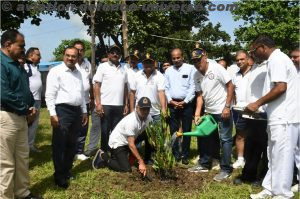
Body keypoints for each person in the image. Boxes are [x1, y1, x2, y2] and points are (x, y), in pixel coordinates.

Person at [248, 35, 298, 199]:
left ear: (262, 47)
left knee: (282, 155)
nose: (254, 54)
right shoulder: (275, 59)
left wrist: (257, 103)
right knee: (273, 154)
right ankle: (270, 188)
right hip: (277, 116)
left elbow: (280, 87)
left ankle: (283, 193)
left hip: (285, 117)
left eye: (254, 50)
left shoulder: (277, 59)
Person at [0, 29, 41, 199]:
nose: (24, 49)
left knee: (22, 158)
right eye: (21, 46)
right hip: (6, 117)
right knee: (6, 163)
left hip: (21, 117)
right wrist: (25, 108)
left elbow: (25, 88)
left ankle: (22, 192)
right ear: (8, 45)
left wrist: (31, 106)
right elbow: (4, 92)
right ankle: (6, 196)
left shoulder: (16, 63)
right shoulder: (1, 63)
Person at [188, 47, 234, 182]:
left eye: (198, 60)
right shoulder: (196, 75)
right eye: (194, 61)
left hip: (222, 110)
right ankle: (204, 163)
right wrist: (197, 114)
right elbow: (200, 96)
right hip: (209, 112)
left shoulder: (216, 68)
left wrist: (227, 106)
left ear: (205, 57)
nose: (197, 63)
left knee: (225, 139)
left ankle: (226, 169)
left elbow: (230, 85)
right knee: (206, 137)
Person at [45, 47, 88, 189]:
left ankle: (67, 170)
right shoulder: (55, 71)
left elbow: (81, 94)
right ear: (64, 56)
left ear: (78, 57)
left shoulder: (79, 73)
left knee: (72, 143)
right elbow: (50, 94)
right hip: (62, 111)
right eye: (68, 55)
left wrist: (84, 111)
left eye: (73, 56)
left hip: (76, 111)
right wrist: (52, 113)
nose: (70, 58)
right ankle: (59, 176)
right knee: (59, 144)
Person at [233, 51, 268, 185]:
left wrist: (259, 105)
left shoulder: (268, 67)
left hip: (264, 114)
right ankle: (248, 174)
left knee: (265, 148)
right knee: (251, 145)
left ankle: (263, 177)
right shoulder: (253, 70)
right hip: (250, 114)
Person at [92, 97, 153, 176]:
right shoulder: (132, 120)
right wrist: (140, 161)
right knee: (126, 169)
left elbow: (151, 135)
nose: (145, 111)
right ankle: (104, 157)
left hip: (128, 140)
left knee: (149, 134)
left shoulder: (148, 118)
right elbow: (131, 144)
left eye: (147, 109)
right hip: (117, 143)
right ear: (137, 108)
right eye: (143, 109)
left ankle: (146, 159)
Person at [129, 53, 167, 164]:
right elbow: (132, 93)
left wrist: (164, 109)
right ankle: (133, 157)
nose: (148, 64)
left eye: (150, 62)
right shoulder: (137, 75)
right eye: (146, 62)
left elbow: (161, 93)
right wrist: (131, 109)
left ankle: (150, 158)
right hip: (139, 113)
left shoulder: (159, 76)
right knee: (136, 136)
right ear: (143, 63)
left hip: (155, 112)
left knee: (154, 137)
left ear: (154, 63)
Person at [93, 45, 129, 153]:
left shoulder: (124, 68)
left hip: (119, 105)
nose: (115, 54)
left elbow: (126, 88)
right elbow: (97, 85)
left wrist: (126, 104)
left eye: (117, 52)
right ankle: (103, 152)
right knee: (105, 130)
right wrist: (98, 104)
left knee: (117, 131)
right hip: (106, 104)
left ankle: (114, 152)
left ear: (120, 55)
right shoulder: (102, 66)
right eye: (112, 52)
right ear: (108, 54)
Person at [164, 48, 195, 165]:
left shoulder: (190, 68)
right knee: (174, 130)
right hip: (173, 105)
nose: (176, 60)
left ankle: (185, 155)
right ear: (171, 59)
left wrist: (186, 101)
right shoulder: (168, 71)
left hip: (186, 104)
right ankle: (176, 153)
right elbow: (166, 88)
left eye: (178, 57)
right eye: (174, 58)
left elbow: (192, 87)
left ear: (182, 57)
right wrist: (170, 101)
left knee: (186, 130)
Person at [231, 50, 252, 169]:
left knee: (253, 136)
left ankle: (252, 158)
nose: (239, 62)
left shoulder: (254, 73)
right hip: (239, 110)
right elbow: (232, 91)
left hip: (254, 110)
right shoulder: (236, 75)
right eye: (237, 60)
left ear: (248, 59)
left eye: (242, 59)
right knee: (240, 135)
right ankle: (240, 159)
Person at [73, 41, 93, 161]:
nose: (79, 52)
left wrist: (91, 98)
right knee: (73, 127)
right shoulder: (70, 63)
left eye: (81, 50)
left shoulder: (87, 64)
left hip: (85, 101)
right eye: (77, 49)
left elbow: (89, 81)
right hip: (73, 102)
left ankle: (79, 151)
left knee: (83, 127)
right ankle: (71, 150)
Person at [84, 54, 108, 157]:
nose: (104, 64)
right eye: (102, 62)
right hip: (97, 105)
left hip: (109, 105)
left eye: (106, 62)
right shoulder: (96, 76)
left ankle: (108, 148)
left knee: (109, 129)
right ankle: (91, 148)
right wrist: (95, 103)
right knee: (95, 127)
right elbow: (93, 89)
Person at [24, 47, 43, 153]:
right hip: (30, 100)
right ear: (31, 55)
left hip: (38, 99)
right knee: (27, 123)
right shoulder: (25, 66)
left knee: (34, 123)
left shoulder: (36, 67)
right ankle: (24, 146)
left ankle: (30, 145)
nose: (40, 57)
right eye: (38, 55)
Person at [290, 47, 300, 193]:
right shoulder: (293, 73)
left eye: (296, 57)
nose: (292, 59)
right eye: (291, 57)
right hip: (295, 116)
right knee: (297, 151)